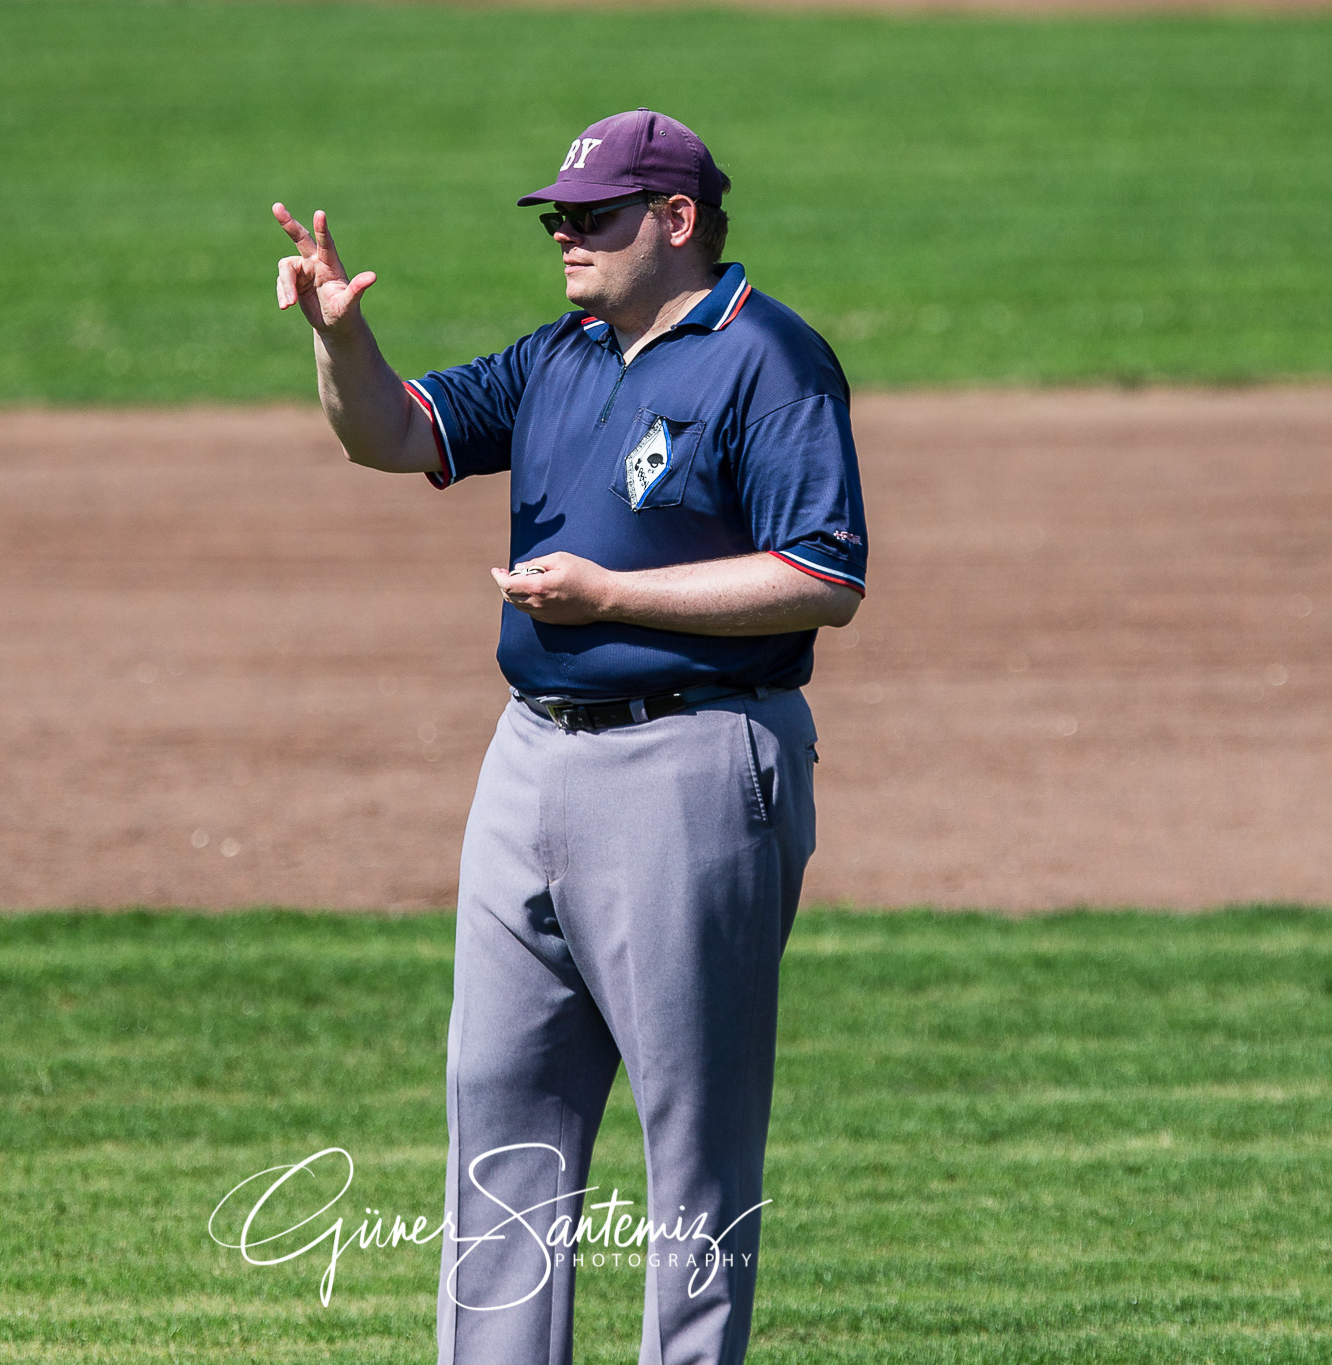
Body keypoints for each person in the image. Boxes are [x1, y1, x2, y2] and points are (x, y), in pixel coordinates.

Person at [272, 107, 866, 1365]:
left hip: (693, 763)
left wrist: (613, 596)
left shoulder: (769, 360)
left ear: (676, 219)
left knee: (693, 1150)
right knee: (496, 1122)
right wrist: (340, 337)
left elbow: (820, 576)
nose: (564, 235)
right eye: (555, 217)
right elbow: (393, 435)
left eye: (590, 216)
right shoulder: (561, 354)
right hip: (528, 759)